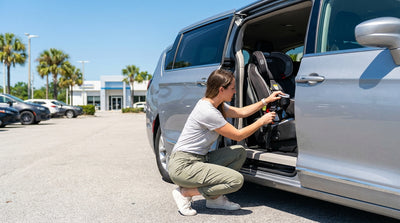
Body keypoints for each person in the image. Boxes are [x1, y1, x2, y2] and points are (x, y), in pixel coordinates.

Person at [168, 68, 283, 216]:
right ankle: (185, 193)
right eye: (232, 88)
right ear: (221, 89)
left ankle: (214, 199)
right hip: (183, 166)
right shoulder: (208, 111)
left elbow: (240, 112)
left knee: (239, 152)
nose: (235, 91)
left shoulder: (216, 104)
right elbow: (238, 135)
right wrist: (261, 122)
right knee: (235, 180)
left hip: (199, 159)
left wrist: (265, 101)